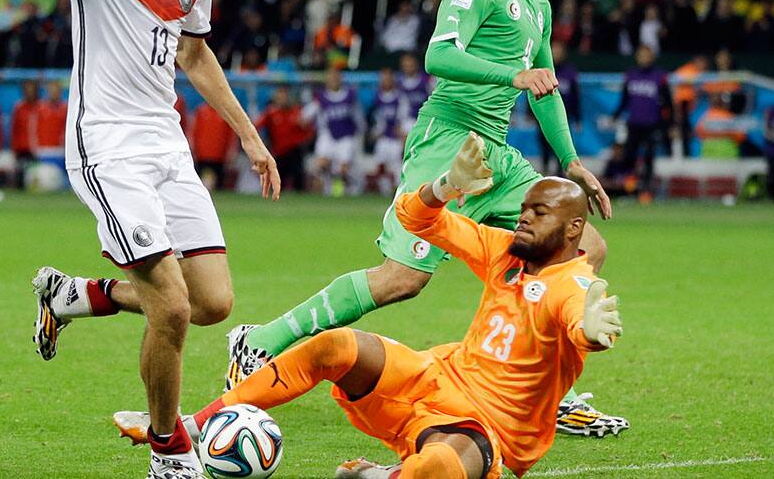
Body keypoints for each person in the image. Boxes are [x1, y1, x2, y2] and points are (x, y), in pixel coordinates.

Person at [227, 0, 628, 437]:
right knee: (402, 279)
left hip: (500, 156)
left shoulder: (538, 3)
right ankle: (261, 341)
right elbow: (438, 55)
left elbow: (545, 88)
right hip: (451, 141)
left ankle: (547, 391)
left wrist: (573, 161)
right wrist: (512, 76)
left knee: (583, 249)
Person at [0, 0, 281, 476]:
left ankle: (76, 296)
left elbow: (195, 56)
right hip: (108, 148)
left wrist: (250, 139)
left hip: (167, 148)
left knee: (211, 303)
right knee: (171, 308)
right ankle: (169, 453)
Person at [115, 137, 624, 477]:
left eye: (539, 213)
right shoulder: (502, 251)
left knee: (438, 468)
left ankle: (384, 476)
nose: (523, 219)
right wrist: (444, 187)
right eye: (525, 209)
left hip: (490, 429)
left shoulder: (573, 283)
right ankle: (195, 424)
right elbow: (418, 219)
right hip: (436, 379)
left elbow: (578, 319)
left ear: (574, 230)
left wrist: (588, 331)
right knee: (336, 346)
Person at [613, 45, 673, 196]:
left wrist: (668, 125)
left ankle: (647, 191)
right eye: (641, 55)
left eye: (647, 55)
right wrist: (615, 115)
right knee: (629, 157)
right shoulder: (631, 75)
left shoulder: (660, 76)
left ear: (652, 57)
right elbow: (625, 100)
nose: (644, 58)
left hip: (652, 124)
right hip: (634, 124)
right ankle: (629, 189)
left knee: (649, 158)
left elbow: (668, 103)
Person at [306, 67, 365, 196]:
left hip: (346, 136)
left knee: (344, 168)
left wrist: (361, 133)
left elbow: (358, 117)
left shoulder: (349, 96)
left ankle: (346, 187)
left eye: (336, 77)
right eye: (330, 77)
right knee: (321, 164)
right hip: (327, 135)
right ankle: (328, 186)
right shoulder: (320, 97)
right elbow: (306, 116)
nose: (333, 80)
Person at [255, 86, 313, 192]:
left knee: (298, 181)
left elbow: (308, 132)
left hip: (295, 151)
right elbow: (256, 126)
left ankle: (301, 202)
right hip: (279, 153)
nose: (282, 99)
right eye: (280, 97)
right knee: (277, 182)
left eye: (284, 97)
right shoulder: (270, 113)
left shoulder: (296, 112)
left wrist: (304, 131)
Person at [537, 41, 579, 175]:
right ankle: (545, 172)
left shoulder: (570, 72)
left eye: (558, 51)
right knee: (544, 147)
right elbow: (533, 91)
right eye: (553, 50)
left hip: (563, 117)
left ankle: (560, 174)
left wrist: (577, 117)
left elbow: (575, 96)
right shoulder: (541, 69)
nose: (556, 54)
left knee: (560, 146)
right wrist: (530, 113)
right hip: (543, 115)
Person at [368, 67, 409, 194]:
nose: (385, 81)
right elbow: (376, 118)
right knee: (380, 163)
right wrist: (375, 132)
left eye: (388, 78)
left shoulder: (399, 97)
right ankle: (383, 190)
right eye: (383, 78)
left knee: (397, 165)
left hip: (396, 137)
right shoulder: (377, 97)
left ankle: (398, 190)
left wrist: (402, 131)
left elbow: (404, 114)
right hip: (384, 137)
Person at [189, 102, 237, 190]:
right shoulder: (200, 111)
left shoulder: (225, 113)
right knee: (199, 185)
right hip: (202, 154)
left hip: (220, 155)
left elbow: (231, 136)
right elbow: (193, 131)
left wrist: (231, 152)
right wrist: (192, 149)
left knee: (219, 185)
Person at [10, 80, 41, 182]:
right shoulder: (19, 108)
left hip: (39, 149)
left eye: (32, 89)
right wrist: (15, 149)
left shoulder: (42, 107)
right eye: (27, 89)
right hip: (22, 149)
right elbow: (15, 130)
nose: (30, 92)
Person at [35, 80, 67, 156]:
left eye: (56, 90)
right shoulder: (40, 108)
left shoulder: (66, 108)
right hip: (43, 149)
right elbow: (34, 129)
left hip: (60, 150)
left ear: (60, 92)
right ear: (48, 91)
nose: (54, 93)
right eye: (52, 90)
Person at [397, 52, 431, 121]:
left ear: (416, 64)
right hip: (409, 119)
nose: (408, 68)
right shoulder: (399, 83)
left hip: (426, 116)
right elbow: (401, 106)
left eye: (410, 65)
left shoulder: (426, 80)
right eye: (406, 66)